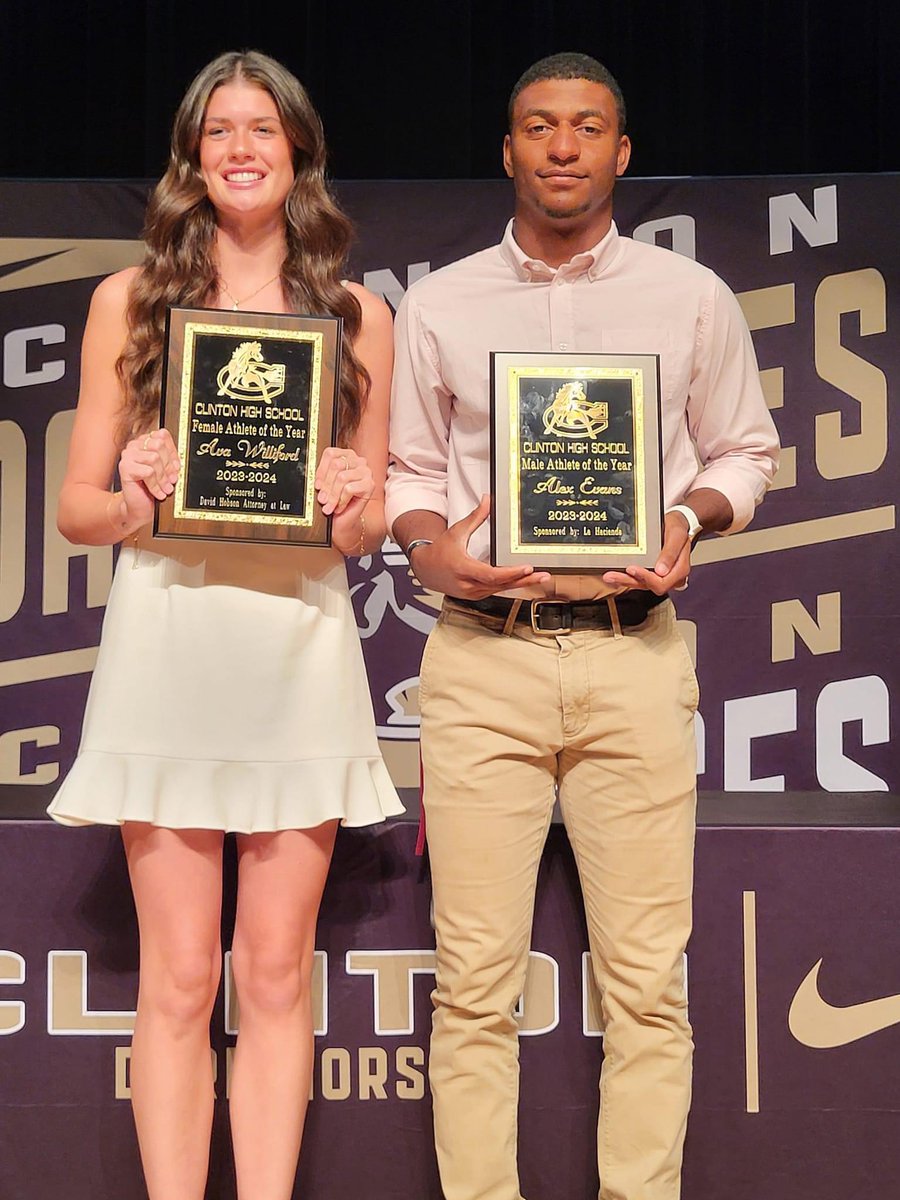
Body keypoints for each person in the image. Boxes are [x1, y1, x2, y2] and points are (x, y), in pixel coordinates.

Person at [386, 52, 779, 1200]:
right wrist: (432, 545)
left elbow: (743, 451)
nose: (563, 146)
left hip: (634, 657)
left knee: (650, 985)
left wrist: (686, 515)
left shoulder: (689, 297)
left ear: (621, 152)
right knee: (470, 986)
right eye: (540, 126)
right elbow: (409, 469)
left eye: (588, 126)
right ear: (509, 150)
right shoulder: (442, 300)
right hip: (479, 660)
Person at [48, 50, 402, 1200]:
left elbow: (366, 534)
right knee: (182, 974)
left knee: (274, 973)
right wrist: (136, 496)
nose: (241, 148)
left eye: (262, 128)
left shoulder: (354, 314)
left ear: (297, 149)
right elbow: (78, 511)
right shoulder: (131, 302)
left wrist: (358, 499)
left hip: (297, 650)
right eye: (219, 131)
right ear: (191, 159)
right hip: (170, 644)